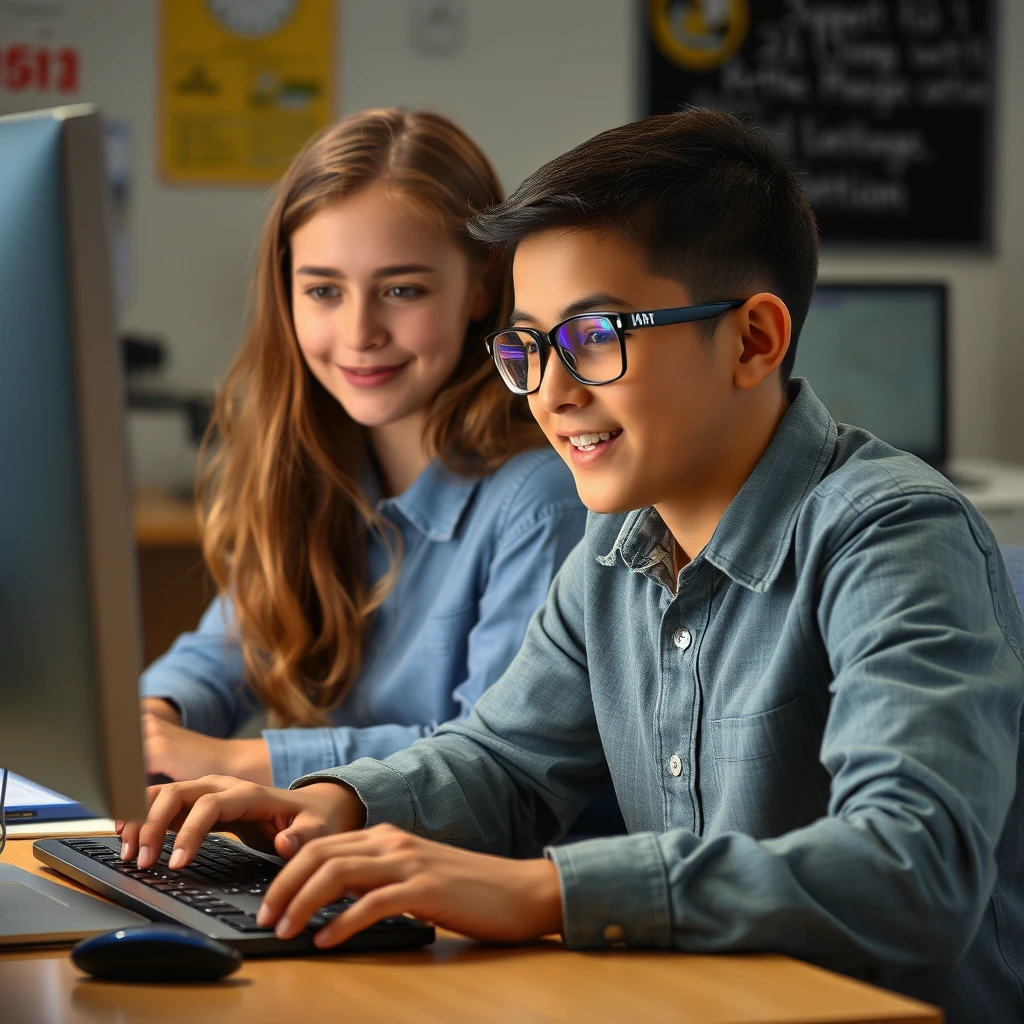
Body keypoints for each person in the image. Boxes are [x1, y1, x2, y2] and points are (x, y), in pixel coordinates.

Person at [121, 109, 1024, 1022]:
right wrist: (324, 807)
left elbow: (916, 865)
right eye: (528, 346)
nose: (551, 391)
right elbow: (505, 763)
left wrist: (547, 893)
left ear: (754, 339)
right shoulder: (619, 540)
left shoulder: (892, 533)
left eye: (596, 337)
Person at [138, 109, 586, 790]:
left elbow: (488, 762)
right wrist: (153, 718)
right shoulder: (316, 467)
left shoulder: (541, 498)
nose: (358, 332)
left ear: (483, 286)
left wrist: (231, 762)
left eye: (401, 290)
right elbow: (227, 647)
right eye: (323, 290)